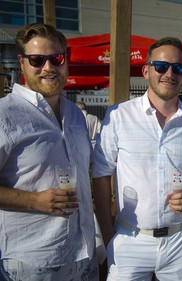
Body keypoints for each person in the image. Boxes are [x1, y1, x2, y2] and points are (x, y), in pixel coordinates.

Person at [92, 37, 182, 280]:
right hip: (129, 239)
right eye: (161, 66)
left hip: (181, 239)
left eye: (177, 68)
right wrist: (108, 235)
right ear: (146, 71)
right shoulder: (118, 116)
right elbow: (101, 175)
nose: (169, 73)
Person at [0, 23, 98, 280]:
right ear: (22, 63)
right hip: (34, 261)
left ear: (66, 60)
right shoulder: (4, 115)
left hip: (84, 253)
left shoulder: (76, 115)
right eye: (37, 60)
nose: (48, 67)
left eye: (56, 58)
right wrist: (34, 200)